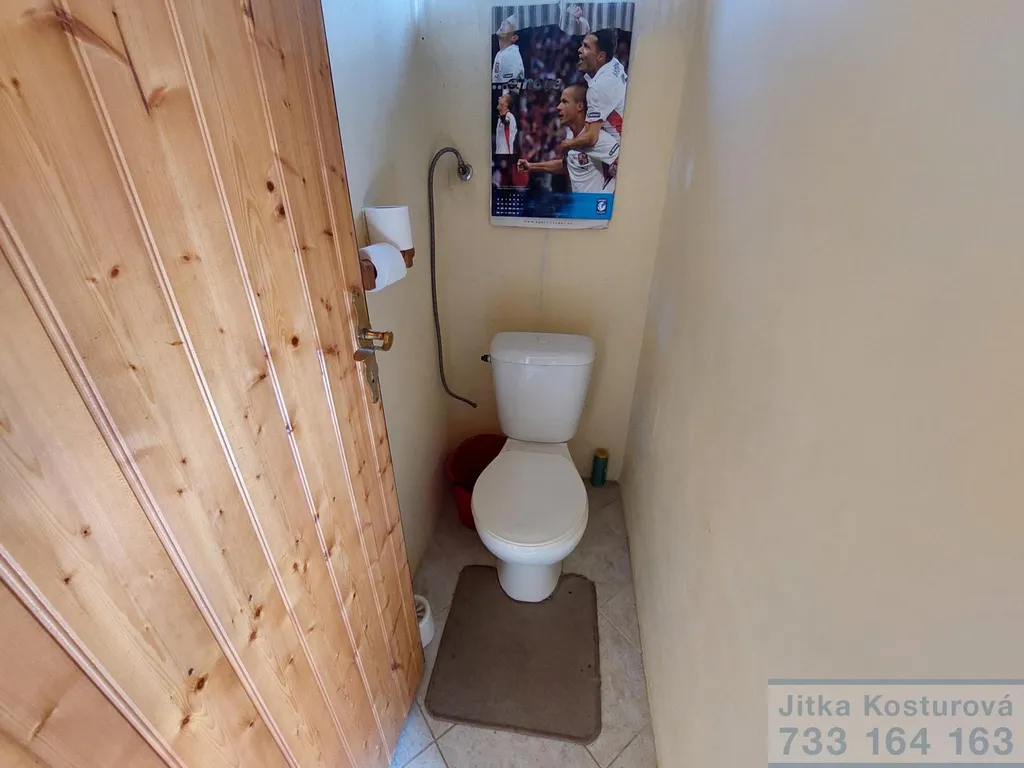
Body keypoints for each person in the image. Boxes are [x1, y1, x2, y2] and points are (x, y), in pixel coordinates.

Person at [517, 84, 618, 194]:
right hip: (580, 202)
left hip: (599, 203)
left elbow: (624, 165)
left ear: (580, 106)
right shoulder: (570, 136)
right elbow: (565, 165)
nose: (558, 107)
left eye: (564, 102)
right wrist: (531, 166)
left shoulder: (598, 139)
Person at [562, 29, 627, 153]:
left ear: (601, 56)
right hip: (629, 135)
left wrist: (567, 143)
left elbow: (591, 137)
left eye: (586, 47)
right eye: (582, 45)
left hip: (620, 151)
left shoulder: (598, 88)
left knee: (574, 152)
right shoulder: (614, 63)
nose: (579, 50)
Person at [492, 15, 525, 85]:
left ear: (514, 37)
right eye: (504, 21)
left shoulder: (510, 56)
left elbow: (510, 90)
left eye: (508, 23)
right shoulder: (503, 53)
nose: (503, 23)